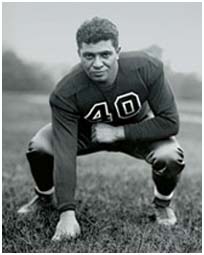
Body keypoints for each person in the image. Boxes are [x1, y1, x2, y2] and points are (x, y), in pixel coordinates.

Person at [18, 17, 185, 241]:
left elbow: (170, 122)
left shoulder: (146, 67)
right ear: (79, 54)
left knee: (170, 155)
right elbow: (64, 151)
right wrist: (67, 212)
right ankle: (44, 196)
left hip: (137, 128)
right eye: (89, 56)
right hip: (88, 132)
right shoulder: (66, 92)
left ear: (117, 51)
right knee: (40, 145)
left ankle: (163, 203)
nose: (97, 64)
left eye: (105, 54)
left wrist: (120, 132)